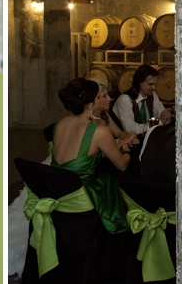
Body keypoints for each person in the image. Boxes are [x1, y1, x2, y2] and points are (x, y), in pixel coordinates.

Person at [50, 78, 130, 234]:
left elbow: (78, 155)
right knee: (110, 182)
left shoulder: (59, 124)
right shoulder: (99, 131)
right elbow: (122, 165)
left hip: (56, 189)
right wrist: (126, 150)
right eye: (99, 97)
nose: (103, 99)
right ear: (89, 105)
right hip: (81, 196)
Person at [113, 65, 174, 137]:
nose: (154, 88)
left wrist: (167, 116)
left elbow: (162, 114)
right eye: (150, 84)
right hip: (129, 143)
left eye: (155, 84)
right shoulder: (125, 100)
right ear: (139, 82)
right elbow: (130, 129)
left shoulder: (152, 95)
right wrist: (159, 122)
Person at [89, 80, 139, 153]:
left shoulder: (104, 114)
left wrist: (129, 139)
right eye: (104, 96)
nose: (109, 99)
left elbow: (119, 133)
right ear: (94, 99)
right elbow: (99, 149)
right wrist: (123, 142)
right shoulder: (88, 120)